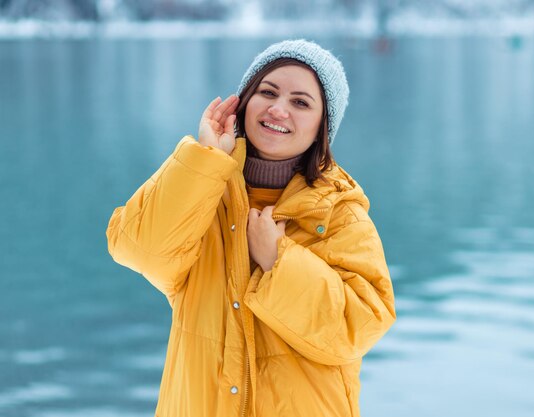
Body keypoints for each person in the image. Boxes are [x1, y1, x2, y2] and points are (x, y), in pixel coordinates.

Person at [106, 39, 396, 417]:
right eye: (268, 92)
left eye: (301, 102)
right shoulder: (204, 190)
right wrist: (206, 158)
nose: (278, 109)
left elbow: (359, 327)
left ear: (322, 127)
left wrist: (280, 262)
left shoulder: (340, 214)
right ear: (243, 103)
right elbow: (137, 249)